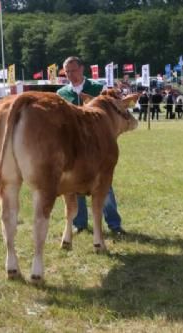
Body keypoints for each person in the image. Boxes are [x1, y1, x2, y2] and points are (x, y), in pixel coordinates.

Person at [56, 56, 126, 236]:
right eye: (67, 72)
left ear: (81, 69)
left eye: (73, 70)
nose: (70, 74)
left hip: (98, 145)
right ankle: (80, 224)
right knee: (75, 183)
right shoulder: (61, 94)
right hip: (74, 146)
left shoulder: (99, 89)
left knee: (104, 184)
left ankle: (114, 224)